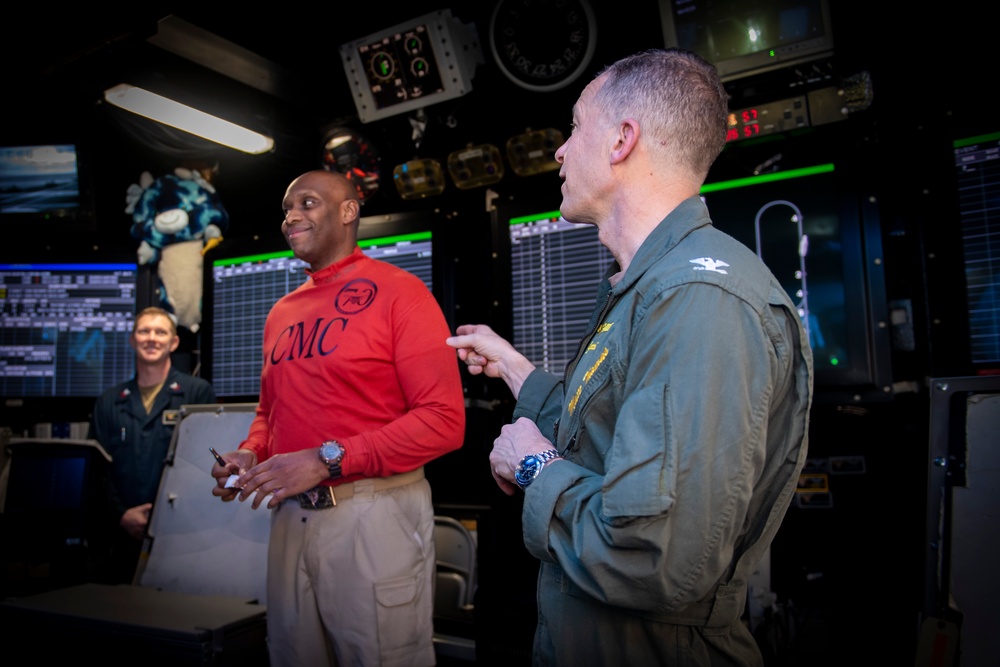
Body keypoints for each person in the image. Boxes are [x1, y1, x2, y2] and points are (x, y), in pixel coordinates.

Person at [447, 49, 813, 665]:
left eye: (575, 127)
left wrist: (534, 463)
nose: (561, 151)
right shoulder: (652, 284)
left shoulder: (699, 299)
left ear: (622, 140)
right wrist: (512, 366)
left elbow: (653, 557)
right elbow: (608, 428)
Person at [210, 170, 466, 667]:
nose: (291, 217)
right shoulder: (281, 312)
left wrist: (328, 459)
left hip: (372, 514)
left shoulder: (402, 293)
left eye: (307, 203)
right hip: (289, 516)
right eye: (287, 209)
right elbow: (270, 412)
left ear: (349, 212)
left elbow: (443, 421)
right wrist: (252, 452)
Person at [89, 306, 216, 583]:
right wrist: (122, 514)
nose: (151, 338)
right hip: (121, 534)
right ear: (132, 340)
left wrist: (164, 513)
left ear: (173, 342)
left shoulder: (197, 392)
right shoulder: (109, 402)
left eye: (160, 332)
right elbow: (97, 471)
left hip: (180, 531)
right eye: (144, 331)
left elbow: (202, 465)